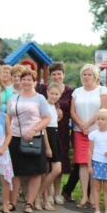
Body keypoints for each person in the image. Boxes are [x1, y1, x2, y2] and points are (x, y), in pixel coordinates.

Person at [7, 69, 51, 213]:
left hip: (34, 138)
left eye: (29, 79)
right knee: (15, 171)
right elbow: (9, 117)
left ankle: (29, 203)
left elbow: (46, 118)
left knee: (35, 172)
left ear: (34, 82)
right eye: (23, 79)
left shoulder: (40, 98)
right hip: (15, 138)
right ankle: (12, 202)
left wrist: (33, 130)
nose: (26, 82)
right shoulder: (14, 98)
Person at [68, 64, 107, 208]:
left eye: (89, 74)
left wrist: (88, 124)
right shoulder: (77, 92)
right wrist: (81, 125)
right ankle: (85, 196)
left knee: (94, 162)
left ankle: (93, 196)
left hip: (96, 132)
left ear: (95, 76)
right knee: (82, 163)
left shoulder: (102, 90)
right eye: (84, 74)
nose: (86, 77)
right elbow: (72, 112)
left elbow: (103, 109)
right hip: (79, 132)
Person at [36, 62, 74, 205]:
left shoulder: (69, 91)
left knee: (60, 165)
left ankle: (57, 193)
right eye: (54, 74)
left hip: (63, 130)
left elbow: (72, 109)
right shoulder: (45, 89)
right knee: (48, 165)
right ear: (50, 76)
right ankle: (47, 193)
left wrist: (61, 113)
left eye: (59, 74)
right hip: (48, 130)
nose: (57, 76)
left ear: (63, 75)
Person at [34, 82, 64, 211]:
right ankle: (44, 200)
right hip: (47, 138)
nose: (54, 96)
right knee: (45, 171)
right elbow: (44, 128)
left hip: (55, 136)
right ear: (47, 93)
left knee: (56, 169)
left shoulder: (55, 106)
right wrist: (47, 147)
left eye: (57, 94)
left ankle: (37, 195)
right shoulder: (44, 105)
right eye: (52, 93)